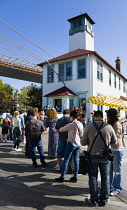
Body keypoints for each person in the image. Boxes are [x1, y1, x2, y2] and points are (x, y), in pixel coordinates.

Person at [81, 110, 117, 207]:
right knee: (105, 178)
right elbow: (114, 142)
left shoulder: (89, 126)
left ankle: (94, 200)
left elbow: (83, 142)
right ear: (102, 117)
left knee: (93, 177)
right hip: (105, 156)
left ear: (94, 117)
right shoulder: (108, 127)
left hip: (92, 155)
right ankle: (104, 200)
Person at [55, 110, 83, 183]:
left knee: (66, 160)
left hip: (71, 143)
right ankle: (75, 176)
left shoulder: (71, 125)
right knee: (76, 160)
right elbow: (81, 134)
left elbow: (61, 129)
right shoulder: (80, 124)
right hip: (78, 144)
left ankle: (62, 177)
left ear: (71, 117)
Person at [107, 108, 124, 195]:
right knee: (110, 170)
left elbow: (115, 139)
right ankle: (110, 186)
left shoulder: (117, 125)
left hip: (117, 149)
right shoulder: (113, 123)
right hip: (112, 149)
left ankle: (117, 188)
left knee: (117, 170)